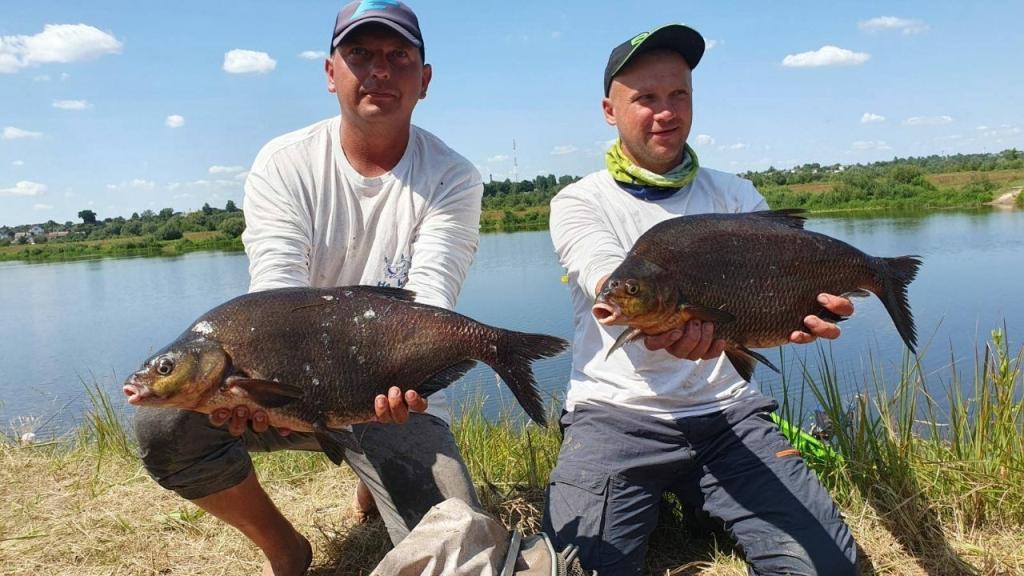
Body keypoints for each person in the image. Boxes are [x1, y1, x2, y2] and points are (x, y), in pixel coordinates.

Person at [133, 2, 484, 575]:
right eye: (360, 54)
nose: (379, 70)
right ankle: (285, 548)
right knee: (163, 424)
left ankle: (373, 477)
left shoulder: (453, 175)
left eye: (398, 56)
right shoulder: (284, 162)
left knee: (457, 547)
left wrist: (406, 383)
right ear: (330, 73)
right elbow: (275, 296)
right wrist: (256, 391)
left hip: (391, 401)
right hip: (279, 391)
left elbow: (431, 300)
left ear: (424, 80)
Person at [543, 24, 859, 576]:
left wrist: (805, 314)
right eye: (645, 98)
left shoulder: (735, 195)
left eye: (679, 95)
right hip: (615, 416)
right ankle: (682, 503)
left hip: (728, 413)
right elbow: (600, 270)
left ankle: (701, 502)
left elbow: (772, 295)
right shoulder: (579, 200)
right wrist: (638, 301)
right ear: (610, 111)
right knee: (578, 569)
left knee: (826, 569)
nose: (665, 112)